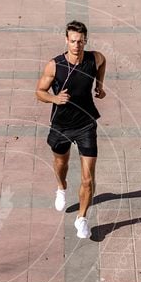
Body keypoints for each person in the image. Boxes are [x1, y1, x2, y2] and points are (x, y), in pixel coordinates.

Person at [35, 20, 106, 239]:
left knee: (87, 179)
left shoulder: (95, 58)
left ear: (86, 41)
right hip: (61, 126)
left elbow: (103, 63)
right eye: (73, 41)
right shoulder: (55, 65)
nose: (76, 45)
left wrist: (99, 85)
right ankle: (61, 187)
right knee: (61, 164)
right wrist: (54, 98)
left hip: (86, 125)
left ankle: (82, 218)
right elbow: (39, 91)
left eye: (80, 41)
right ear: (66, 40)